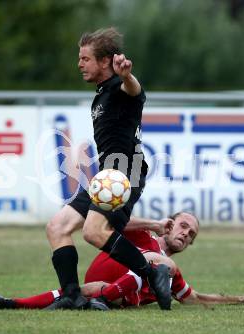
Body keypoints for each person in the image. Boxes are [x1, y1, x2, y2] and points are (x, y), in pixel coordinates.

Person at [45, 27, 171, 311]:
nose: (79, 64)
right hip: (107, 176)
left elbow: (134, 91)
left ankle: (151, 273)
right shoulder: (102, 94)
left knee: (93, 231)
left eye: (85, 59)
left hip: (125, 173)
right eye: (80, 58)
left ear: (105, 62)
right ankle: (71, 295)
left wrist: (126, 75)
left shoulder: (119, 88)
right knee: (57, 227)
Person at [0, 212, 244, 309]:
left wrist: (240, 299)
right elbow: (110, 221)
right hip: (110, 277)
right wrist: (153, 223)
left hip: (105, 291)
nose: (186, 233)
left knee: (81, 293)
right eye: (183, 226)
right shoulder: (143, 234)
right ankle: (107, 296)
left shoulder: (170, 274)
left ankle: (13, 303)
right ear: (170, 224)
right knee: (156, 262)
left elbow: (193, 298)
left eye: (191, 234)